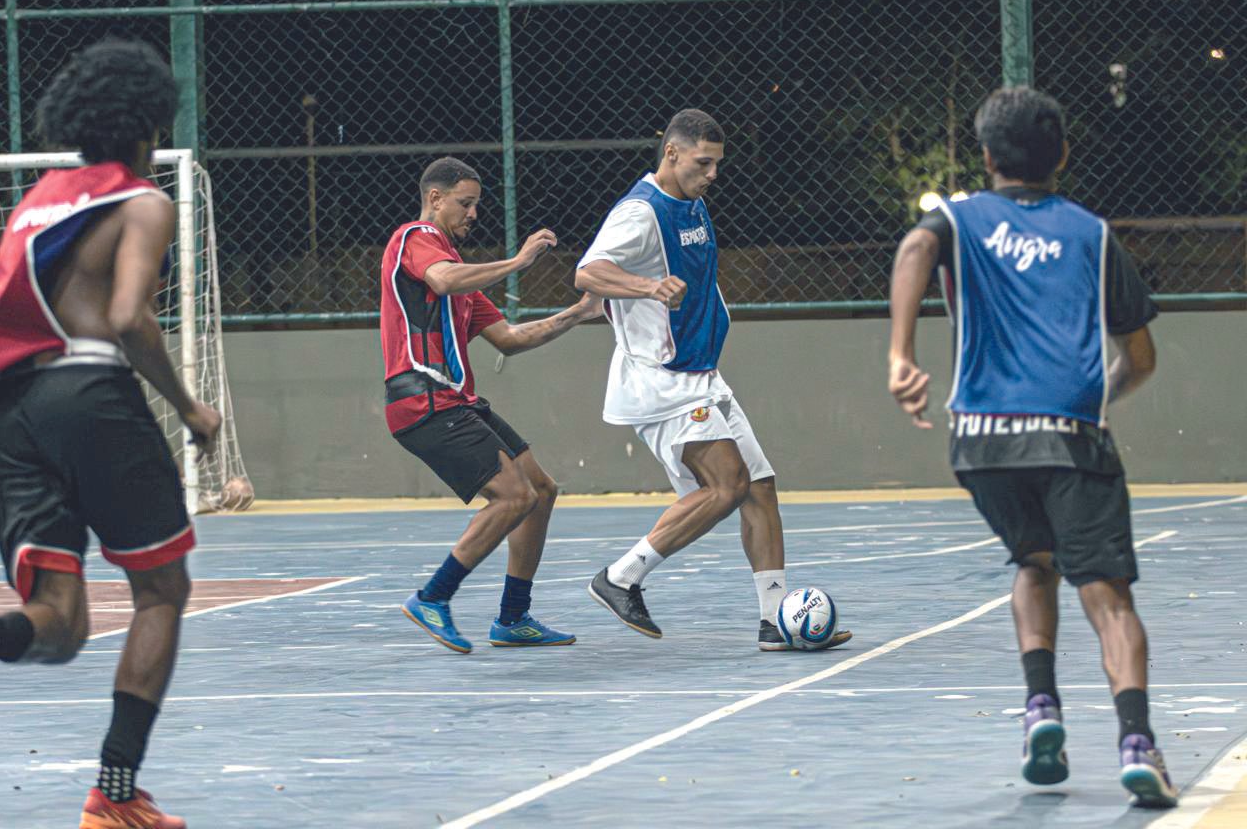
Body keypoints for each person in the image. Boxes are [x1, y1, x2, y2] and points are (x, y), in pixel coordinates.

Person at [887, 86, 1176, 809]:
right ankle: (1137, 741)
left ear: (985, 158)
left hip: (981, 441)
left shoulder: (956, 219)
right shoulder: (1093, 235)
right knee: (1107, 597)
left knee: (1033, 561)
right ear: (1063, 156)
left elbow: (917, 244)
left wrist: (900, 353)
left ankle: (1040, 708)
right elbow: (1139, 357)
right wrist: (1097, 392)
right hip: (1070, 434)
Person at [0, 39, 222, 829]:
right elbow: (126, 319)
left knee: (60, 625)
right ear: (149, 123)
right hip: (90, 394)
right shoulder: (144, 202)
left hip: (11, 410)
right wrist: (189, 408)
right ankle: (114, 797)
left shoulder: (37, 198)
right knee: (162, 592)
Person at [574, 108, 851, 652]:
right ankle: (621, 578)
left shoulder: (693, 203)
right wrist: (646, 288)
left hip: (701, 375)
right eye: (704, 162)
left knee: (760, 488)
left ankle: (775, 622)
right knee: (726, 486)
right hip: (662, 379)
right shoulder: (641, 211)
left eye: (718, 163)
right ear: (672, 153)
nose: (713, 173)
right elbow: (587, 271)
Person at [386, 157, 601, 653]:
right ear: (435, 199)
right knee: (513, 496)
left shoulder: (462, 278)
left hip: (457, 401)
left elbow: (509, 338)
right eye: (465, 203)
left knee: (540, 490)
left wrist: (580, 312)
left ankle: (512, 618)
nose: (474, 213)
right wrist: (520, 262)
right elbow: (439, 280)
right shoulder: (412, 238)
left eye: (477, 204)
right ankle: (432, 598)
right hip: (421, 399)